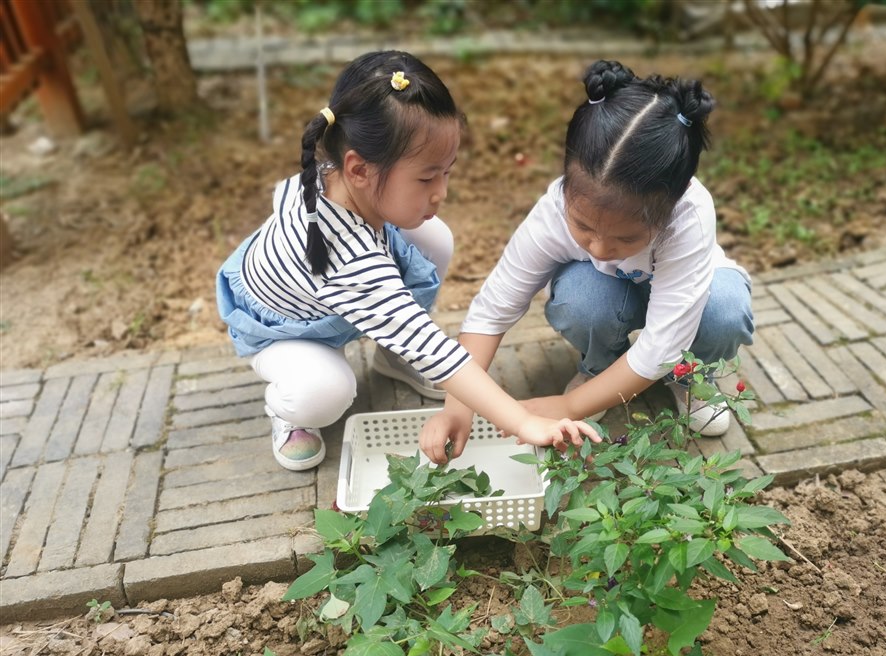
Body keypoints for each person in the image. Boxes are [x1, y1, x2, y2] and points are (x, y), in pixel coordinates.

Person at [216, 50, 600, 472]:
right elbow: (432, 348)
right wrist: (523, 422)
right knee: (326, 392)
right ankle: (289, 412)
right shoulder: (347, 257)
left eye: (446, 172)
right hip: (286, 331)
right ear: (358, 169)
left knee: (433, 237)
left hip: (327, 292)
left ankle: (392, 354)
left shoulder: (329, 174)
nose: (441, 193)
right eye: (426, 177)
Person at [421, 60, 753, 464]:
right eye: (582, 226)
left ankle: (691, 377)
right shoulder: (554, 210)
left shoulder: (689, 216)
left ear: (672, 204)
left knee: (724, 308)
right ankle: (600, 370)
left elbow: (659, 347)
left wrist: (568, 406)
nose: (599, 247)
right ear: (566, 183)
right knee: (582, 298)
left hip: (690, 298)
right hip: (607, 293)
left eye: (626, 238)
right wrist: (459, 406)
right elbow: (492, 311)